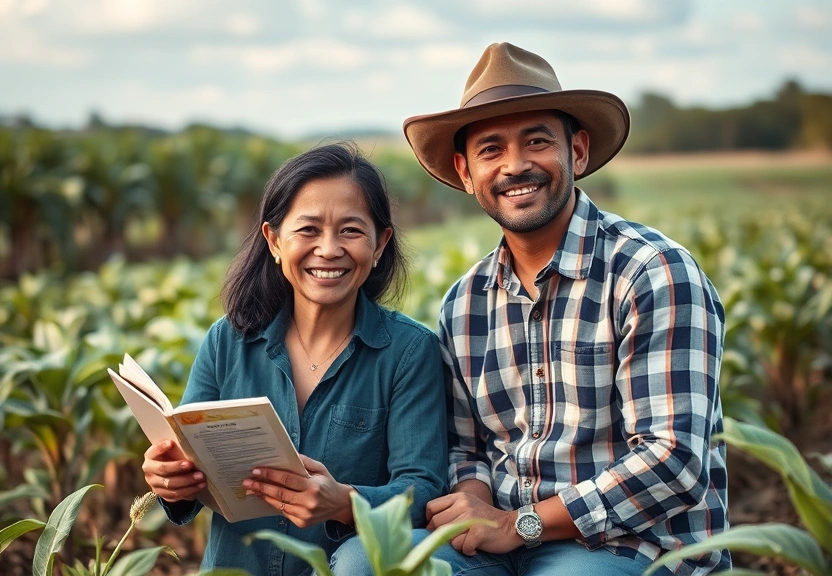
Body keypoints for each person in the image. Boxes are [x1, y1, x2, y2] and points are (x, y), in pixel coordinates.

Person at [404, 43, 730, 575]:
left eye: (536, 141)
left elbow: (673, 463)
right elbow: (465, 448)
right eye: (491, 150)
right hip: (505, 547)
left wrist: (520, 525)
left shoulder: (651, 273)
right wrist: (477, 510)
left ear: (576, 152)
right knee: (368, 560)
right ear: (465, 172)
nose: (515, 165)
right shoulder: (464, 304)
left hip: (632, 549)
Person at [141, 142, 448, 576]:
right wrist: (171, 483)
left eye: (351, 231)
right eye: (308, 230)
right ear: (274, 241)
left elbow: (423, 490)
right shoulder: (226, 342)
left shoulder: (410, 352)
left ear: (380, 245)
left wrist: (346, 503)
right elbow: (187, 461)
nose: (328, 249)